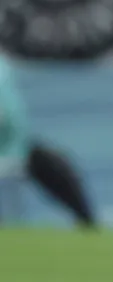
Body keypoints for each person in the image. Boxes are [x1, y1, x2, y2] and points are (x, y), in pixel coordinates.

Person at [0, 55, 96, 228]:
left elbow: (11, 118)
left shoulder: (3, 68)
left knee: (50, 162)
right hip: (10, 154)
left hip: (12, 152)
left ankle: (87, 222)